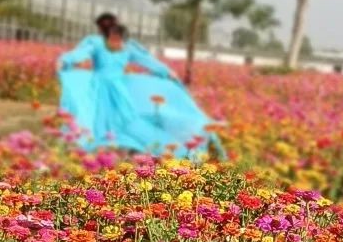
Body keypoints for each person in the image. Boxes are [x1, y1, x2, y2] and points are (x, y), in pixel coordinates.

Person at [56, 22, 226, 159]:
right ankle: (102, 145)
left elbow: (147, 61)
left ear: (123, 40)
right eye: (112, 39)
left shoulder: (128, 49)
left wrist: (166, 72)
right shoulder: (97, 46)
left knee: (126, 119)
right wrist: (66, 61)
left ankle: (125, 147)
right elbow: (81, 53)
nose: (115, 43)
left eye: (119, 40)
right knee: (99, 117)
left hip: (119, 89)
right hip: (99, 87)